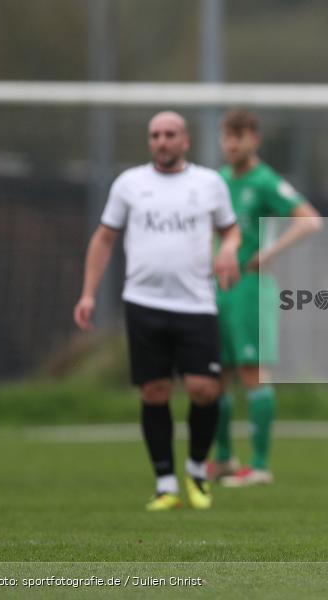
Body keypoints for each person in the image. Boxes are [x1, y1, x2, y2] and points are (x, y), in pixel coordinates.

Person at [74, 111, 241, 511]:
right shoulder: (129, 184)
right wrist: (88, 294)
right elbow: (104, 238)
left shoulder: (209, 184)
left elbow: (229, 229)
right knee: (154, 391)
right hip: (144, 303)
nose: (162, 141)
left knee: (204, 389)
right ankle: (166, 483)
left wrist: (230, 249)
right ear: (150, 142)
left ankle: (198, 470)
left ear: (185, 141)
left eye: (170, 134)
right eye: (155, 135)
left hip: (196, 303)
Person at [208, 109, 322, 487]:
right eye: (226, 137)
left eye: (238, 136)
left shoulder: (265, 180)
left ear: (254, 140)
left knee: (251, 373)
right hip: (218, 287)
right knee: (216, 376)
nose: (231, 144)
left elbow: (309, 219)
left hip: (252, 288)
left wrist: (269, 253)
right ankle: (223, 458)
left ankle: (258, 465)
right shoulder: (219, 181)